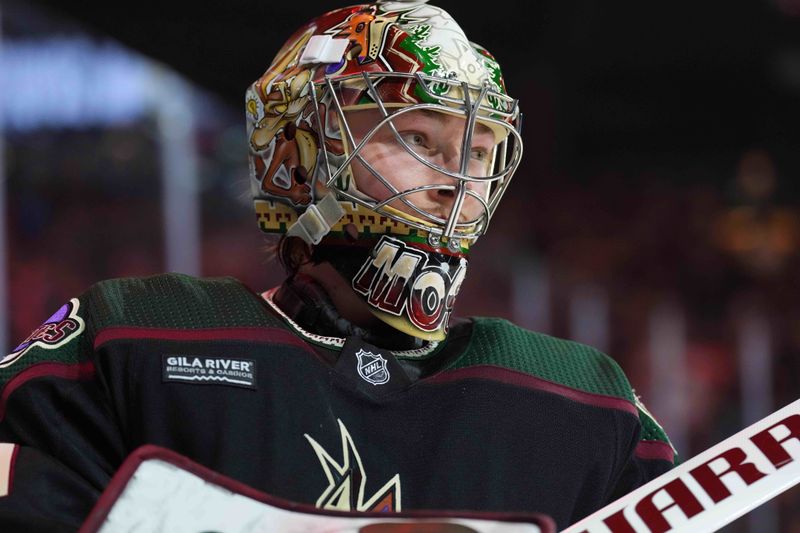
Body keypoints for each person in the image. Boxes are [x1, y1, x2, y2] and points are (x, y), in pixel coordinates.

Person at [0, 1, 677, 530]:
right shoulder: (139, 337)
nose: (457, 182)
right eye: (417, 136)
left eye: (478, 150)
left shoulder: (587, 402)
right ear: (298, 156)